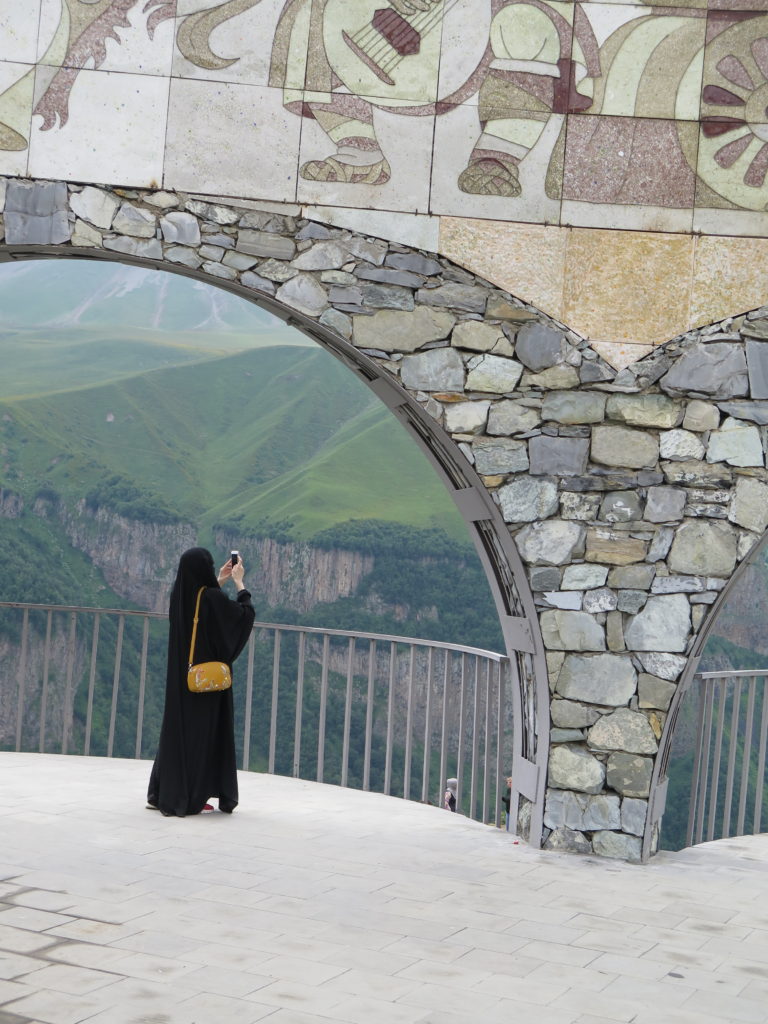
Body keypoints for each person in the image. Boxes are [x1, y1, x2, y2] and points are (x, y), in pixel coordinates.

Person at [147, 547, 255, 817]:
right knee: (201, 738)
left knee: (178, 734)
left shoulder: (179, 596)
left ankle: (163, 792)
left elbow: (200, 603)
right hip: (204, 684)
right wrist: (240, 583)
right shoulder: (211, 599)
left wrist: (219, 580)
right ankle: (193, 795)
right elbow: (243, 617)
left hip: (180, 682)